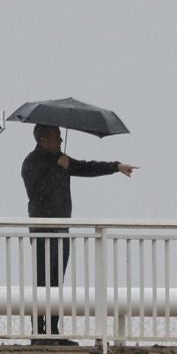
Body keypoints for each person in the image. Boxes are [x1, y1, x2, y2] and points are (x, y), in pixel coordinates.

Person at [20, 124, 137, 342]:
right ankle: (38, 332)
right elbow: (37, 193)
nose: (61, 141)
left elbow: (86, 167)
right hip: (42, 231)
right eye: (57, 137)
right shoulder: (30, 163)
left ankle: (53, 332)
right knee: (43, 282)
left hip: (62, 229)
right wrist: (57, 168)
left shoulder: (62, 158)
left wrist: (116, 166)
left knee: (56, 283)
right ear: (44, 139)